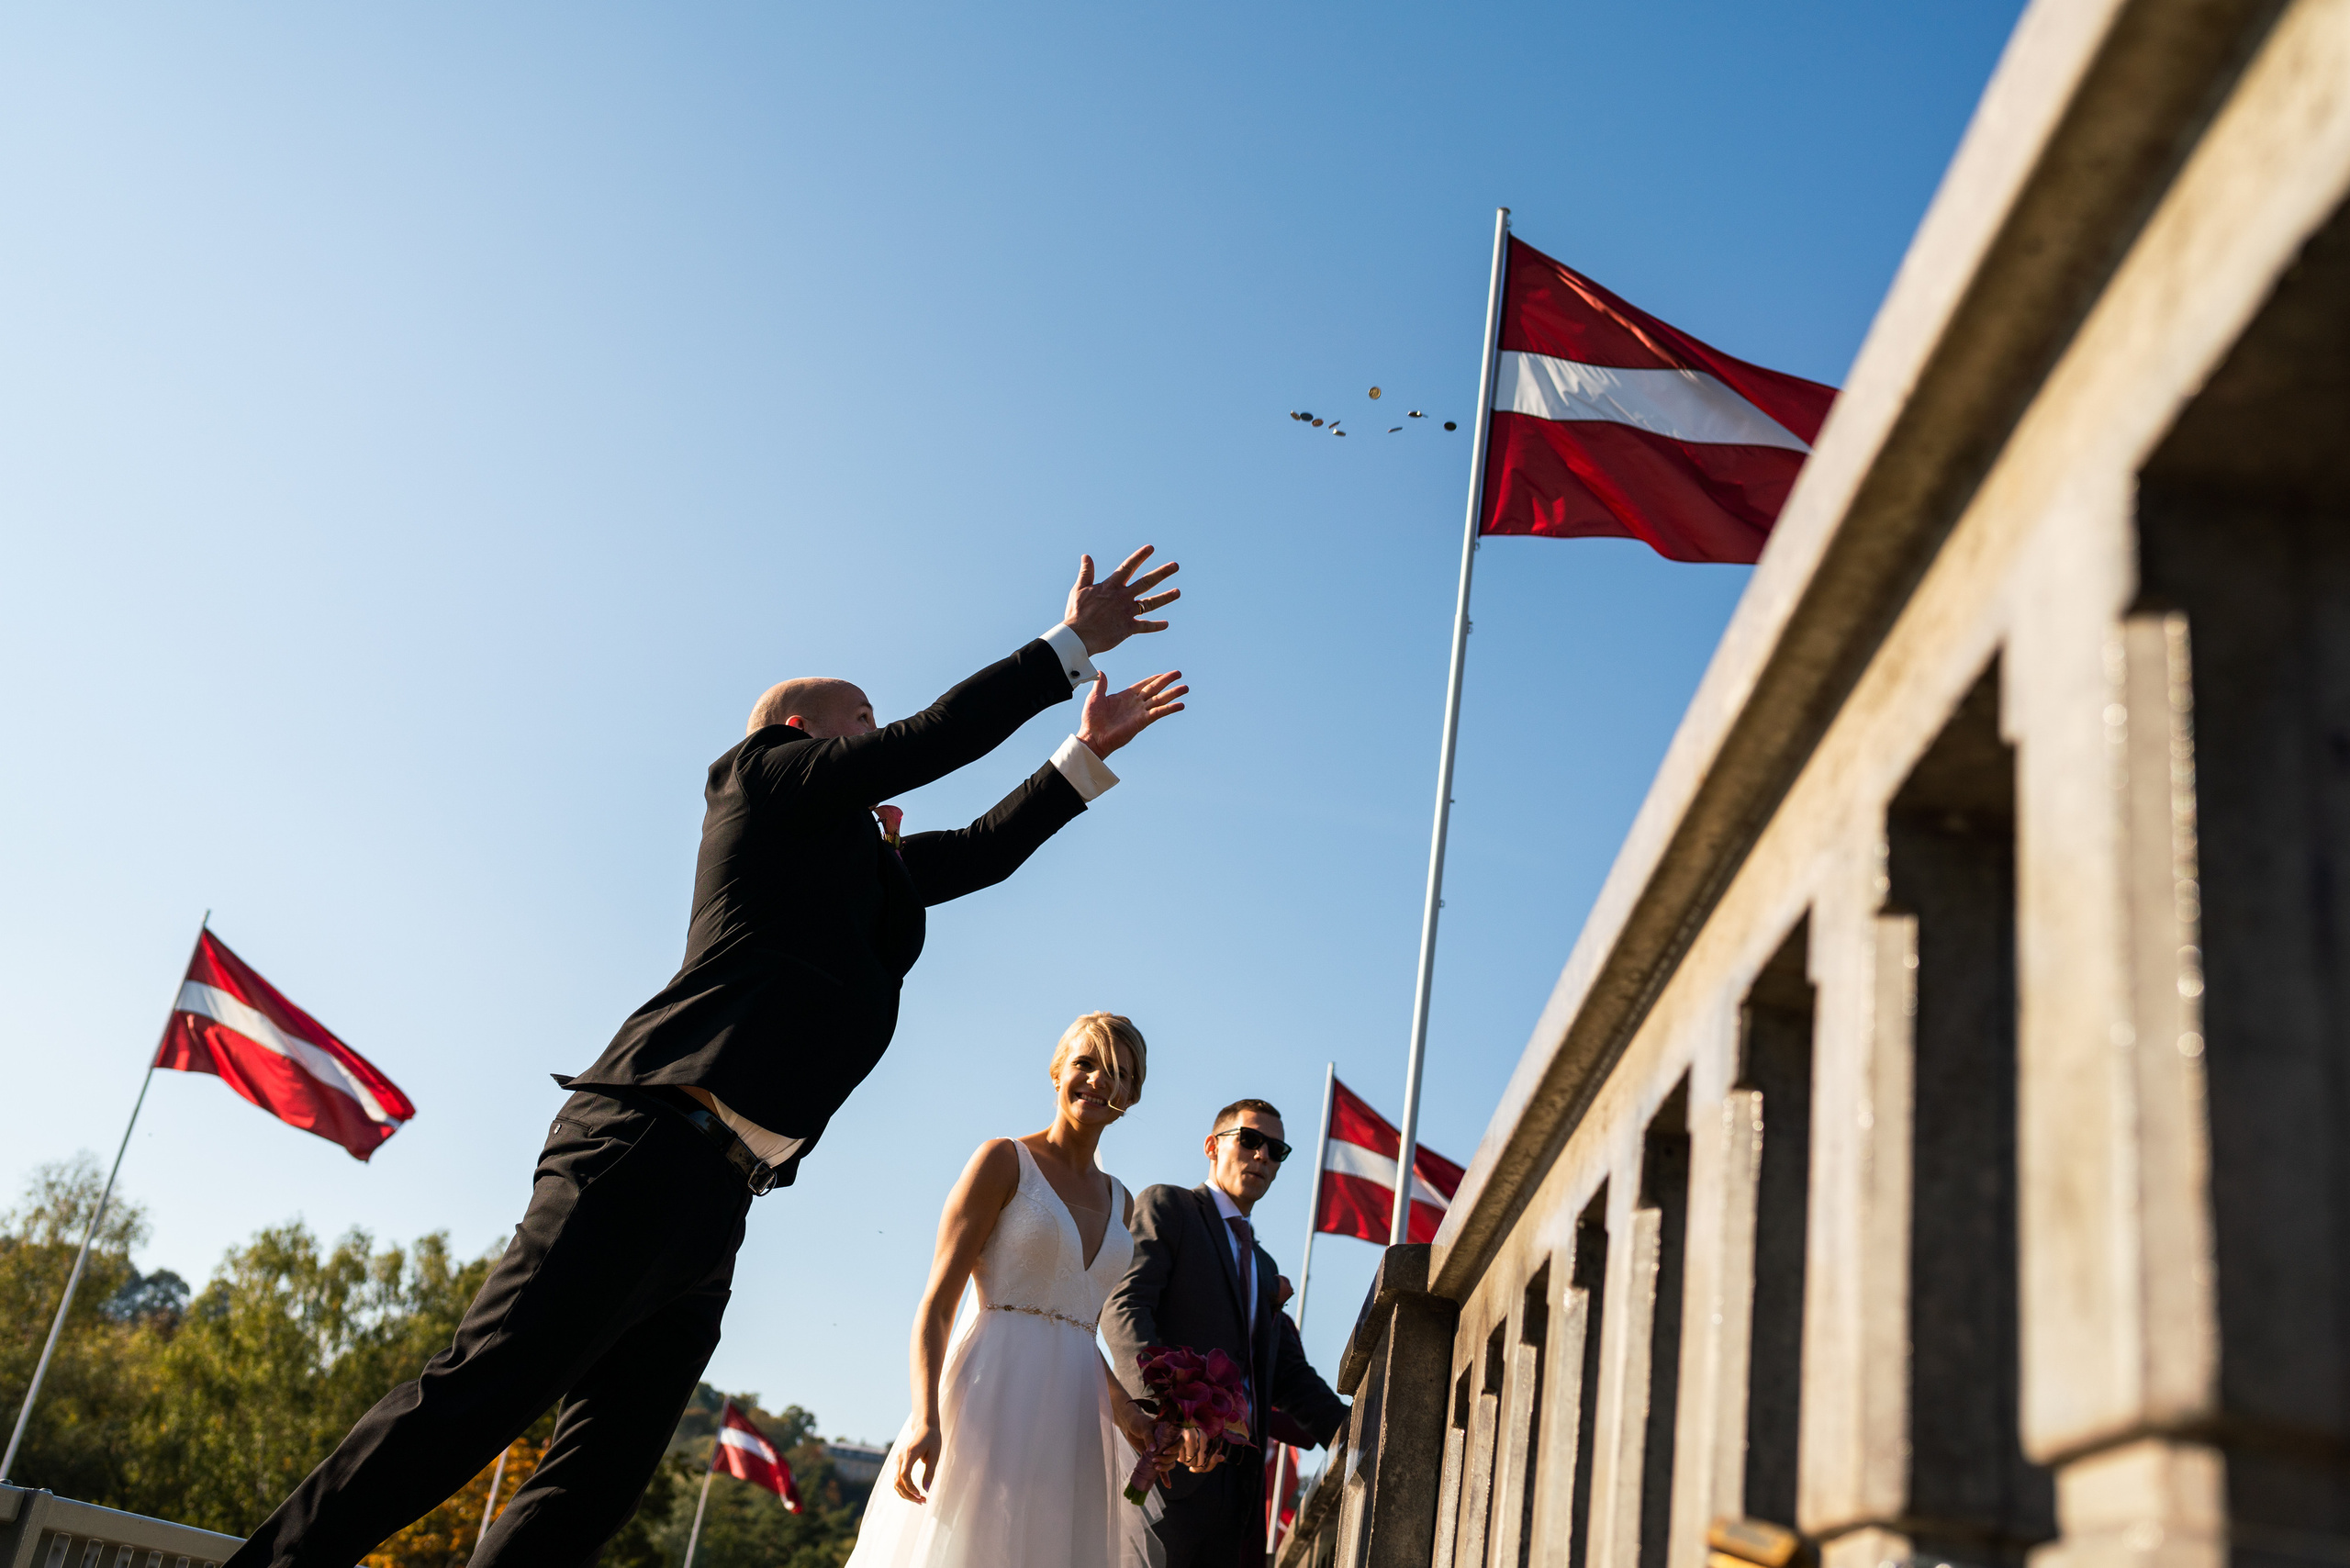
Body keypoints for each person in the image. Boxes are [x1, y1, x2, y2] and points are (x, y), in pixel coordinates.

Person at [226, 548, 1188, 1568]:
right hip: (639, 1148)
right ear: (798, 733)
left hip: (720, 1194)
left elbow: (986, 849)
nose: (875, 728)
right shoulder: (758, 782)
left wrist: (1082, 757)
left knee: (594, 1480)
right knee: (478, 1398)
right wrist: (1068, 647)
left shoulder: (868, 871)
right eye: (857, 717)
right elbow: (925, 742)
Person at [847, 1012, 1167, 1568]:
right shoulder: (1002, 1161)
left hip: (1075, 1421)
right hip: (988, 1392)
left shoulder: (1124, 1199)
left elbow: (1080, 1328)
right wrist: (925, 1417)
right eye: (1083, 1064)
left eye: (1114, 1071)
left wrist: (1129, 1415)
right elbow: (938, 1305)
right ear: (1056, 1073)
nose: (1095, 1080)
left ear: (1133, 1093)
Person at [1102, 1098, 1349, 1568]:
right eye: (1250, 1140)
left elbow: (1288, 1376)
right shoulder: (1170, 1206)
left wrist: (1354, 1431)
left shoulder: (1263, 1265)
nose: (1262, 1156)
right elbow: (1125, 1305)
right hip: (1168, 1465)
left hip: (1236, 1491)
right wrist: (1162, 1416)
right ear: (1212, 1147)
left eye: (1276, 1150)